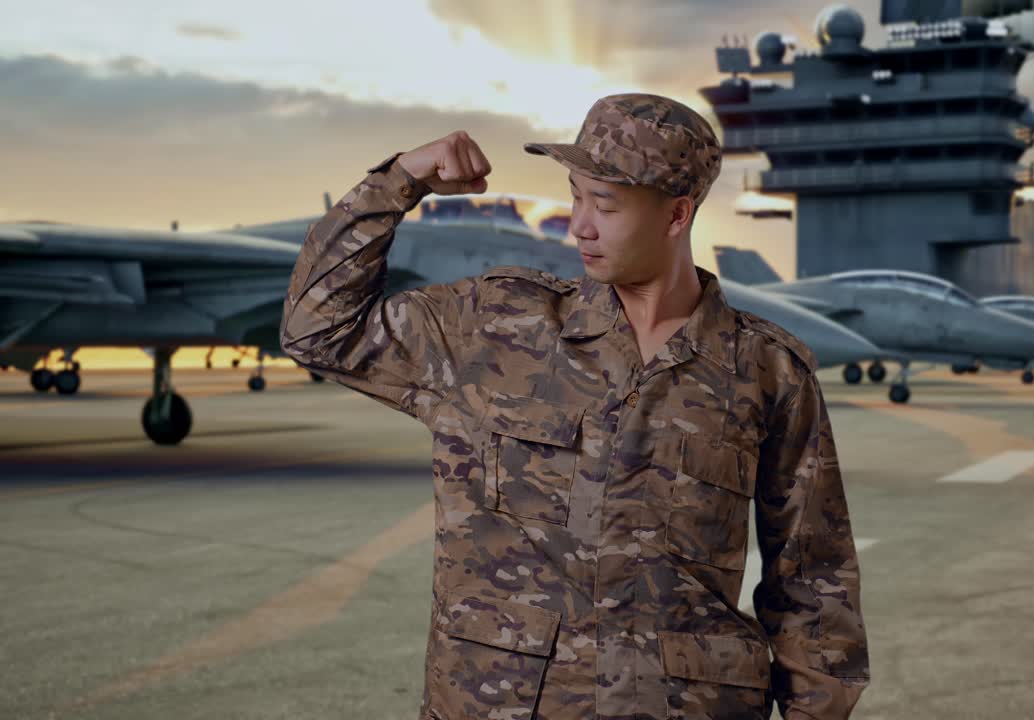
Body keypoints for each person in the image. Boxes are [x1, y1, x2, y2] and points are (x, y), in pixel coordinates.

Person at [279, 92, 869, 720]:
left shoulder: (766, 371)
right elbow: (317, 329)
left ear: (677, 215)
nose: (578, 225)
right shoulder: (497, 326)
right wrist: (400, 180)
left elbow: (814, 581)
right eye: (576, 194)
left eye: (604, 204)